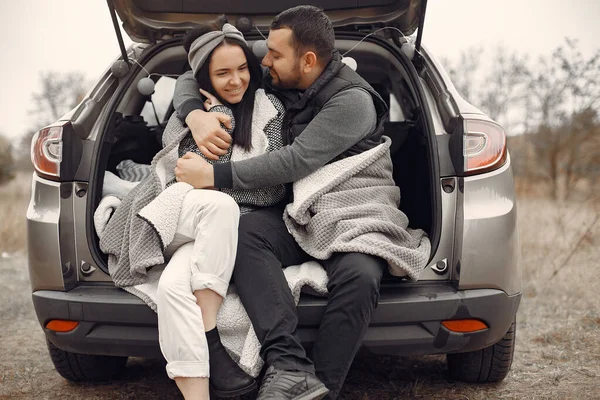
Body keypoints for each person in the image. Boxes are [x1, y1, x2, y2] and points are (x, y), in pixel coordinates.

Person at [174, 5, 429, 400]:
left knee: (361, 275)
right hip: (301, 214)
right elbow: (193, 77)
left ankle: (320, 390)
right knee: (244, 232)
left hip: (354, 212)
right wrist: (194, 116)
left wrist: (214, 177)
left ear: (307, 61)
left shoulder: (353, 101)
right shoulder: (281, 79)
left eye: (274, 54)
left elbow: (296, 161)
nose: (264, 61)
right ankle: (289, 365)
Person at [101, 21, 292, 400]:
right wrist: (196, 116)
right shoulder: (187, 113)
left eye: (241, 69)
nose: (236, 80)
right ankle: (211, 338)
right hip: (177, 210)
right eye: (222, 73)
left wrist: (213, 176)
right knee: (220, 206)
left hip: (210, 223)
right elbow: (175, 170)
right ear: (203, 75)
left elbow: (273, 186)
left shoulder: (270, 111)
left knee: (174, 287)